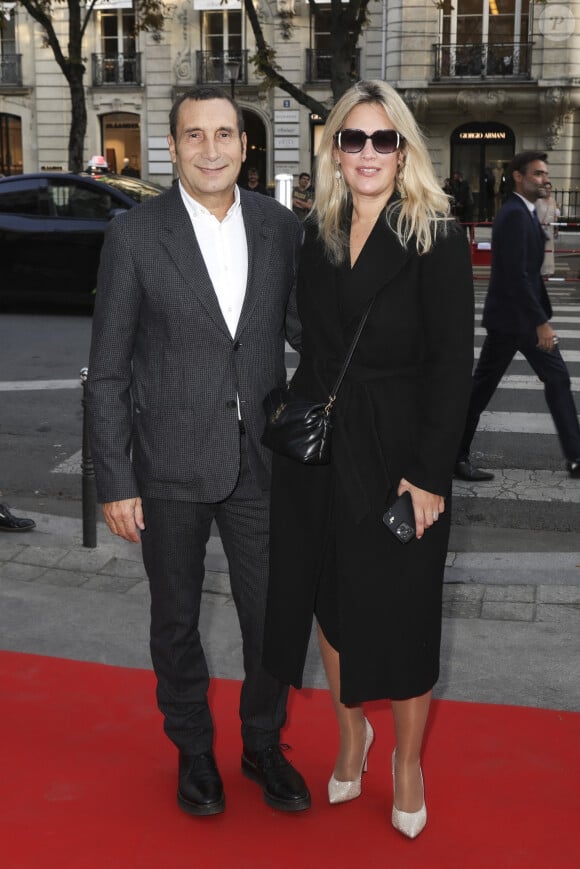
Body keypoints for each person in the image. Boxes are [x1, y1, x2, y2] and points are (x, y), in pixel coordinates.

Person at [86, 85, 310, 818]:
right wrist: (114, 479)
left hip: (262, 462)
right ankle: (192, 749)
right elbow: (110, 367)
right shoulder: (135, 234)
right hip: (169, 463)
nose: (210, 148)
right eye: (194, 135)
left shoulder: (282, 228)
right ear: (173, 146)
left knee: (271, 616)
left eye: (224, 134)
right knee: (175, 617)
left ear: (246, 146)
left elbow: (311, 335)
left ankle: (262, 743)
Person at [262, 80, 474, 838]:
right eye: (353, 139)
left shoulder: (437, 235)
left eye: (384, 139)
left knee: (407, 612)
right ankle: (355, 732)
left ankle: (407, 762)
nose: (368, 153)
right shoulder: (316, 232)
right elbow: (310, 344)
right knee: (332, 603)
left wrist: (428, 476)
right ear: (335, 151)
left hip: (402, 454)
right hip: (324, 453)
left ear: (405, 149)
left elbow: (453, 367)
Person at [455, 151, 580, 481]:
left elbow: (526, 272)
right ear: (518, 177)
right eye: (537, 174)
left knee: (553, 379)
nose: (544, 179)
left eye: (545, 174)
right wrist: (541, 322)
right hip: (516, 320)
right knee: (482, 390)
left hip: (515, 318)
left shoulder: (524, 212)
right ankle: (455, 455)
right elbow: (516, 275)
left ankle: (576, 457)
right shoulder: (512, 214)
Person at [535, 181, 560, 278]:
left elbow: (555, 217)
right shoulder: (538, 201)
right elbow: (535, 215)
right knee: (540, 249)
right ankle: (539, 269)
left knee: (549, 250)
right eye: (546, 188)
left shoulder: (553, 201)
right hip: (540, 228)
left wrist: (557, 229)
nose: (548, 190)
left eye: (549, 188)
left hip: (550, 228)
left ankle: (549, 269)